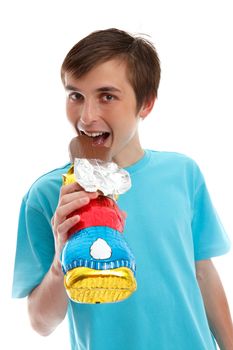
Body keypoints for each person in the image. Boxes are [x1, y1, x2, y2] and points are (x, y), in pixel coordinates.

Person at [12, 28, 233, 350]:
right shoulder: (48, 195)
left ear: (146, 104)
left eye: (107, 96)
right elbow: (40, 324)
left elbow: (203, 274)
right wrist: (61, 259)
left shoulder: (182, 173)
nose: (86, 117)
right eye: (76, 95)